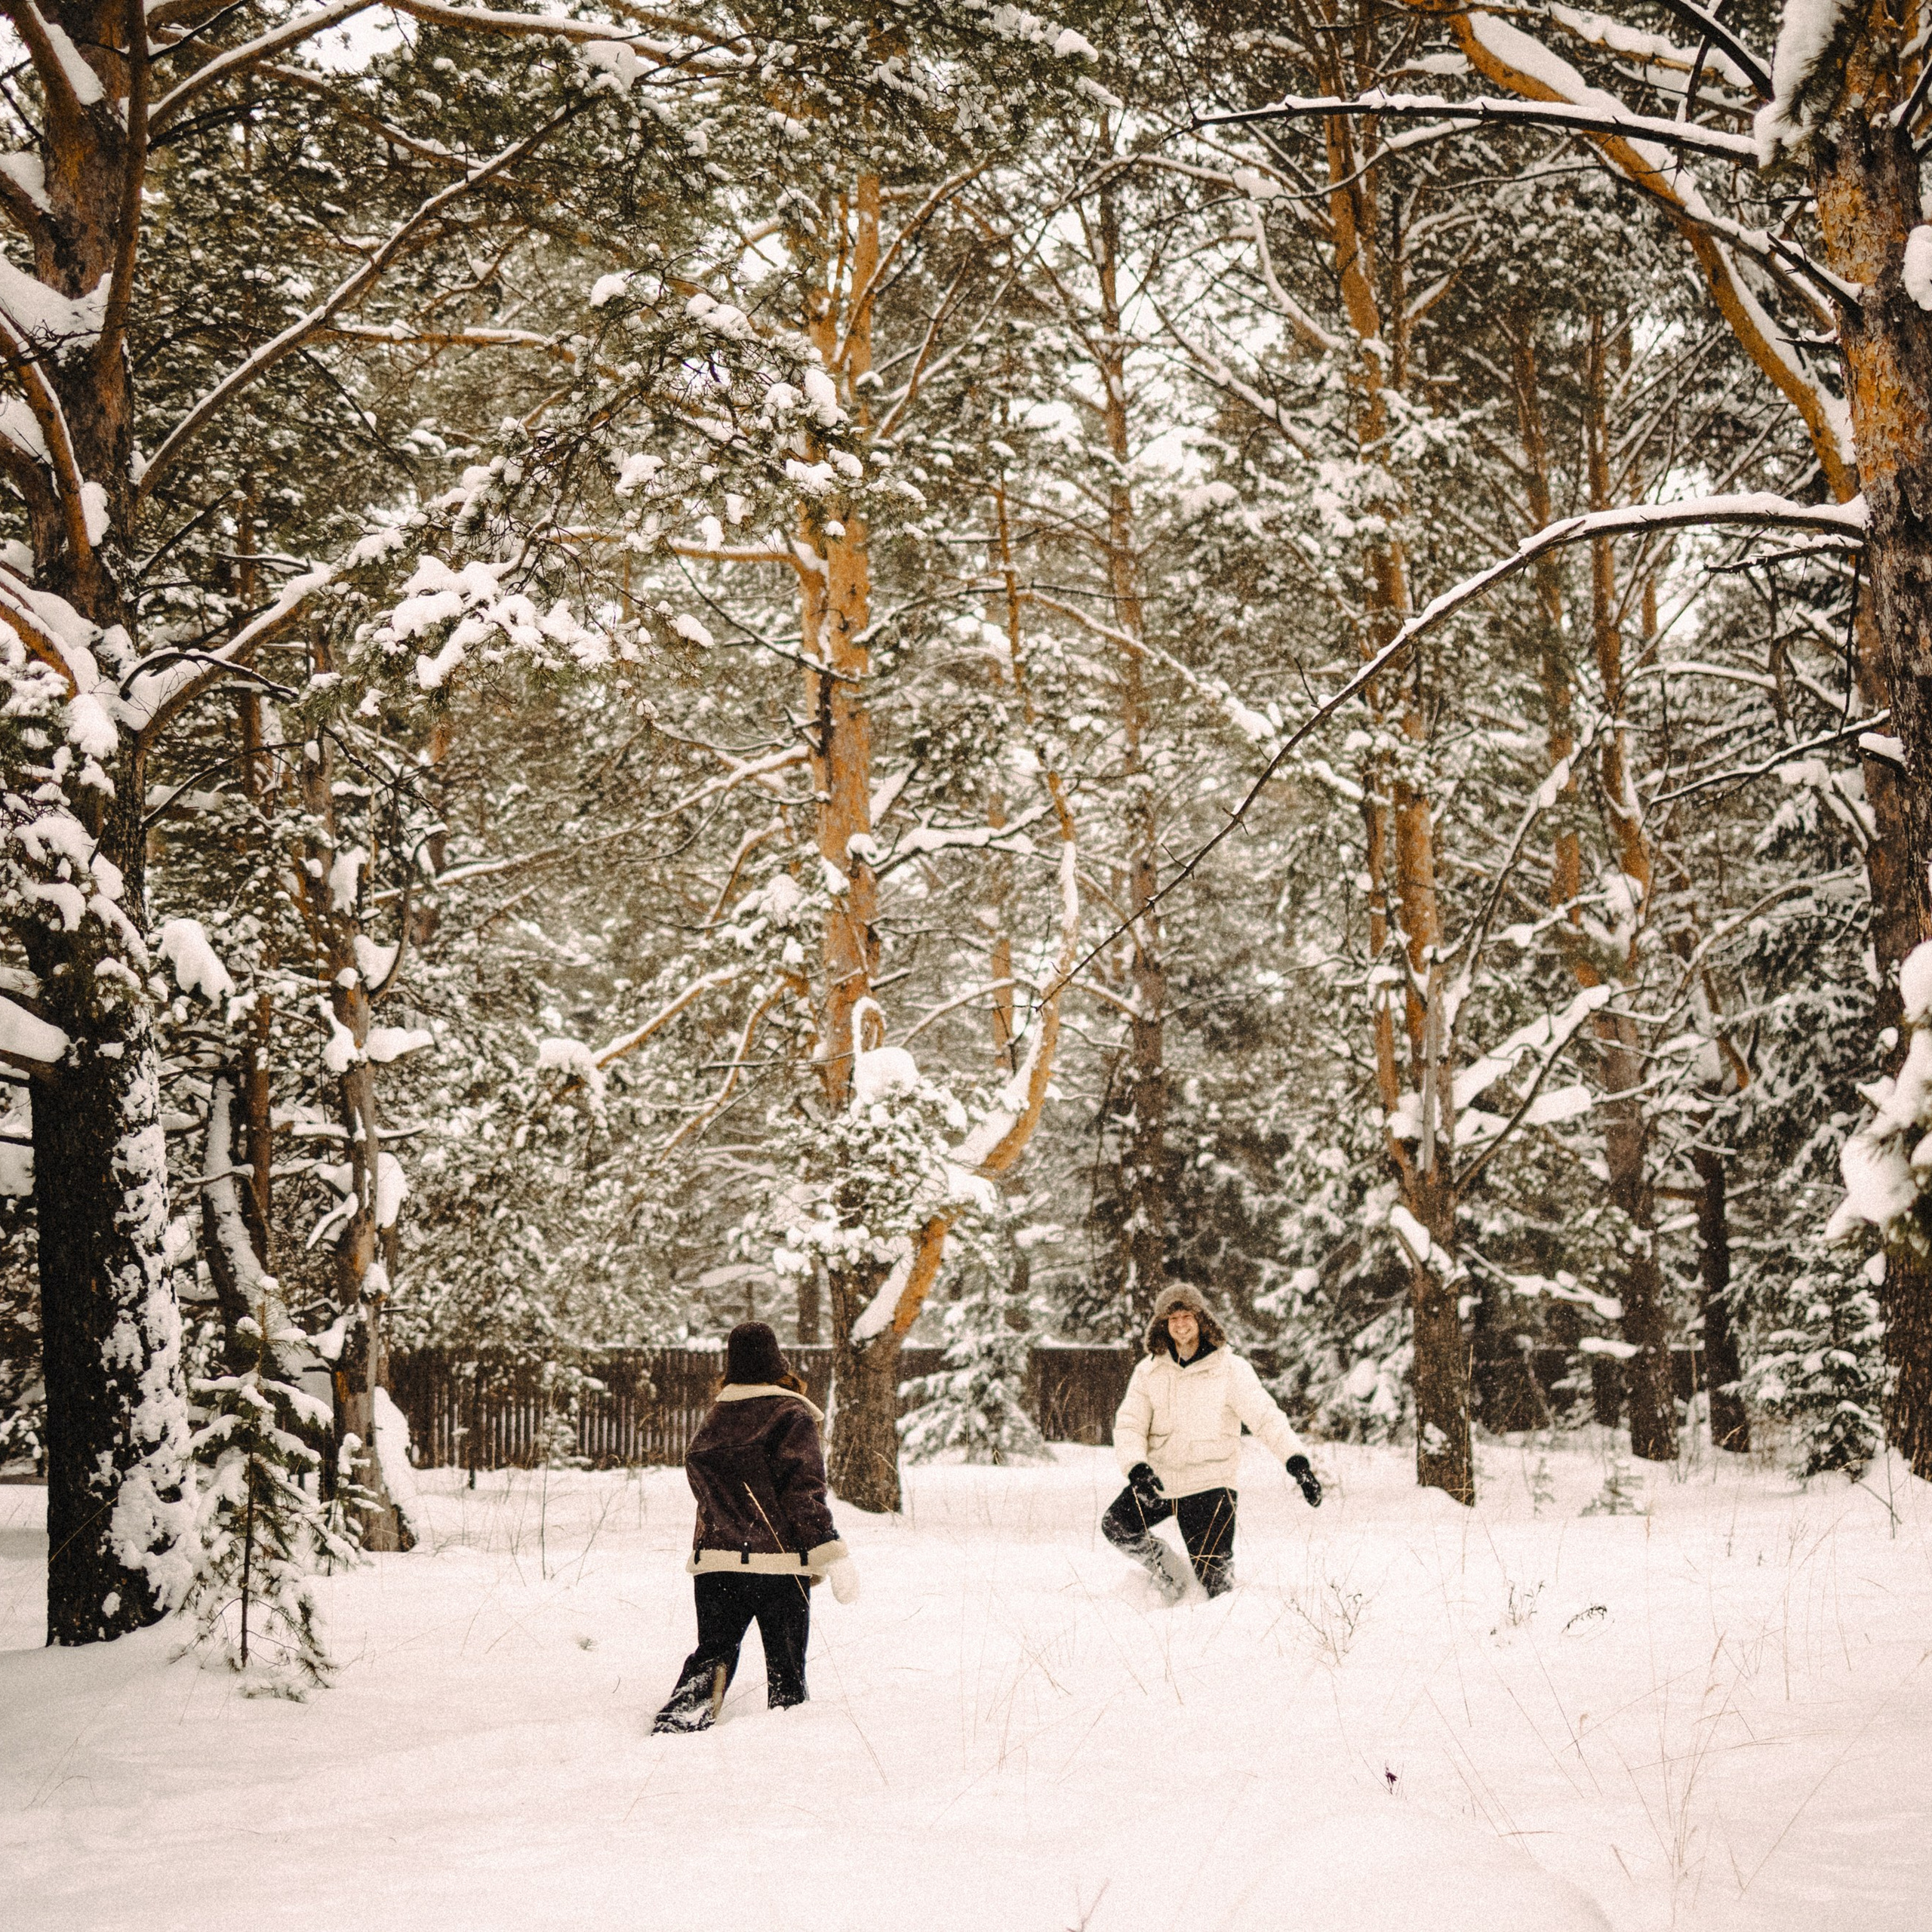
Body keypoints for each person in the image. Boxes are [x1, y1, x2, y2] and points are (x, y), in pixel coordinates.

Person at [651, 1321, 859, 1734]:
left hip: (717, 1565)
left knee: (713, 1655)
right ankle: (785, 1746)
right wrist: (831, 1551)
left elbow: (706, 1490)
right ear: (779, 1364)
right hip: (779, 1568)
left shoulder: (716, 1419)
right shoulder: (791, 1414)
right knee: (786, 1674)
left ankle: (677, 1729)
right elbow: (803, 1492)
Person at [1103, 1283, 1323, 1601]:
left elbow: (1265, 1418)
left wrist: (1297, 1463)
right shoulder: (1149, 1370)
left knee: (1216, 1587)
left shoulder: (1230, 1369)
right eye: (1172, 1317)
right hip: (1160, 1482)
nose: (1180, 1324)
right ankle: (1176, 1581)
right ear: (1163, 1324)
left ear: (1201, 1319)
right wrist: (1136, 1467)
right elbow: (1130, 1424)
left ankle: (1219, 1620)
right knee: (1116, 1526)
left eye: (1186, 1316)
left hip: (1210, 1488)